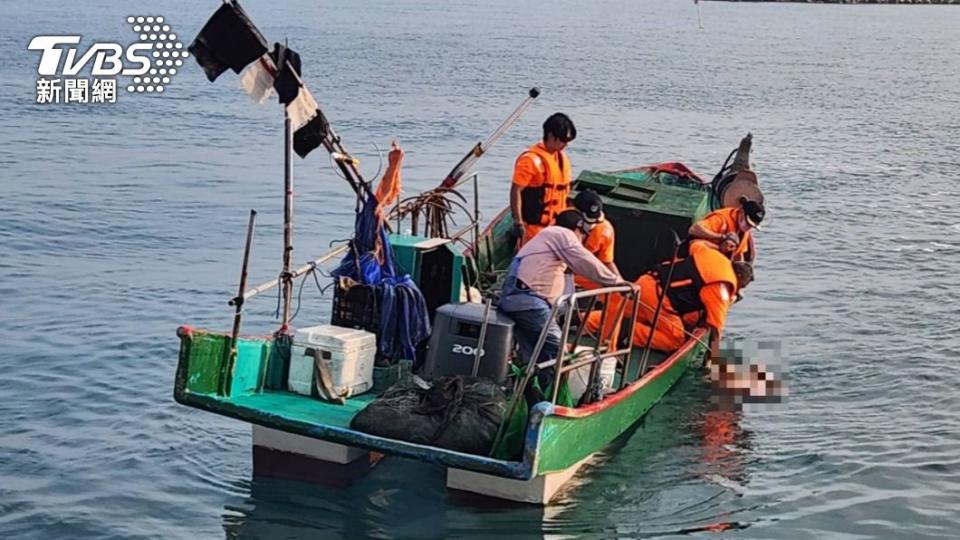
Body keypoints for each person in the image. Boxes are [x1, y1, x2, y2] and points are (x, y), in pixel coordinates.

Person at [499, 209, 630, 389]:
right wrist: (616, 282)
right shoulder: (562, 234)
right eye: (584, 234)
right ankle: (550, 398)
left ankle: (527, 393)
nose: (583, 239)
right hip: (530, 303)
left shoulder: (547, 239)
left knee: (531, 355)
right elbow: (584, 261)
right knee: (557, 351)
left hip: (519, 300)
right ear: (578, 228)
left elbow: (565, 281)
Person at [587, 245, 754, 359]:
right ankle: (626, 330)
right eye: (741, 286)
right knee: (675, 339)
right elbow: (716, 329)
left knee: (619, 311)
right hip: (659, 299)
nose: (738, 290)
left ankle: (581, 319)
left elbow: (695, 245)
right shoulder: (721, 287)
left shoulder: (715, 256)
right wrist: (712, 360)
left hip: (646, 282)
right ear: (737, 277)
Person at [510, 113, 577, 246]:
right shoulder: (530, 160)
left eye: (568, 141)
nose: (566, 145)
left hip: (556, 226)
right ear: (551, 136)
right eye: (563, 140)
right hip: (534, 229)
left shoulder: (561, 159)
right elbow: (516, 190)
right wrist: (519, 222)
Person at [571, 190, 621, 289]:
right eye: (587, 221)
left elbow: (607, 261)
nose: (592, 225)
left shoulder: (605, 230)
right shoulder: (562, 224)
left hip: (584, 277)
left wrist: (620, 281)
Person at [687, 198, 764, 262]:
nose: (748, 227)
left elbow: (738, 255)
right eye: (748, 223)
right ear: (741, 212)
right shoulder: (721, 219)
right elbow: (694, 229)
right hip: (697, 258)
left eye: (751, 226)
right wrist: (721, 237)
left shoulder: (745, 231)